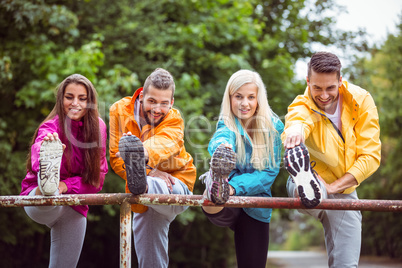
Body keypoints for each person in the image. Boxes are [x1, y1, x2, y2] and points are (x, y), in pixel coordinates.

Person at [282, 51, 381, 267]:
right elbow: (298, 120)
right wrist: (295, 133)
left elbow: (371, 156)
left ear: (340, 81)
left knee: (346, 264)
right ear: (308, 82)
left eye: (330, 88)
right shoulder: (303, 104)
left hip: (343, 190)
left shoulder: (362, 101)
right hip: (308, 181)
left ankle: (319, 190)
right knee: (309, 192)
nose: (324, 95)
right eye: (317, 88)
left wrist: (333, 187)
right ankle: (307, 184)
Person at [109, 68, 196, 268]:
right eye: (152, 101)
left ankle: (144, 183)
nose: (157, 108)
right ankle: (143, 182)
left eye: (164, 103)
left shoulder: (174, 118)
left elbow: (166, 142)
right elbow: (116, 158)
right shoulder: (119, 110)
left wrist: (141, 154)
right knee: (150, 261)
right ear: (141, 95)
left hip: (177, 184)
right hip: (142, 198)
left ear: (171, 103)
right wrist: (149, 171)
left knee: (159, 185)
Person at [20, 74, 108, 268]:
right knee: (47, 153)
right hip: (39, 200)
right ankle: (46, 184)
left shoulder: (99, 128)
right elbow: (37, 148)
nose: (75, 103)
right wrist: (45, 151)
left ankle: (53, 186)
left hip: (72, 205)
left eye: (82, 98)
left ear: (90, 101)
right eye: (69, 97)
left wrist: (65, 185)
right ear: (61, 99)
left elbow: (96, 180)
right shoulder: (51, 126)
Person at [199, 70, 284, 268]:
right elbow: (220, 137)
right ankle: (215, 185)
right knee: (210, 199)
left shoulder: (273, 128)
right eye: (238, 96)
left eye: (250, 97)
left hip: (255, 203)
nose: (244, 103)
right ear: (230, 98)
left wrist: (233, 188)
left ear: (258, 99)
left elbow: (269, 173)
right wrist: (222, 148)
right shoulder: (227, 124)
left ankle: (220, 188)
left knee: (252, 264)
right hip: (226, 200)